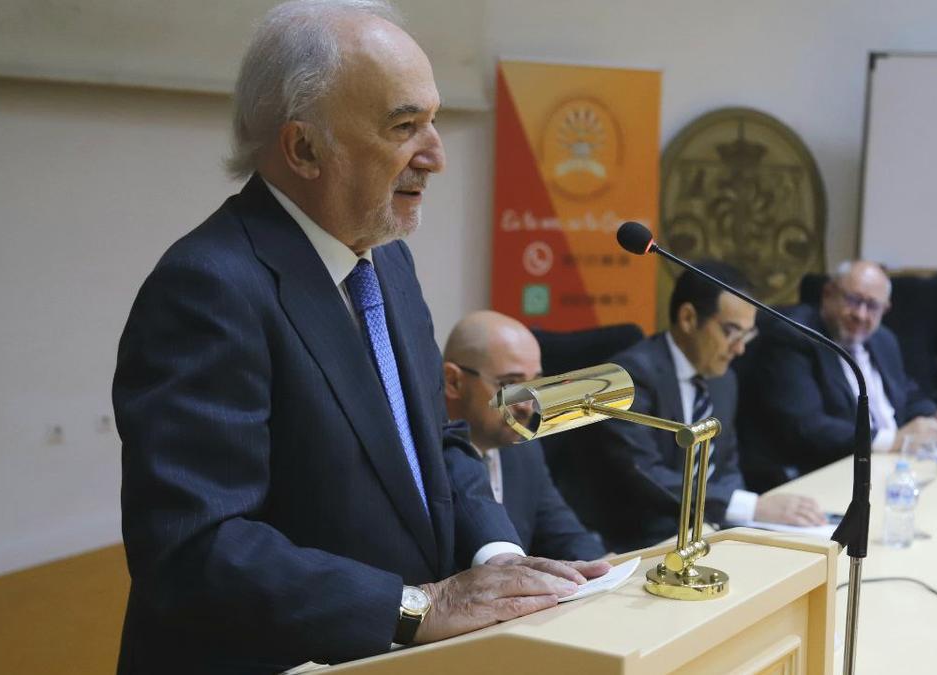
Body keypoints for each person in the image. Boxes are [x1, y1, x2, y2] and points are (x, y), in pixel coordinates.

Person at [111, 2, 606, 672]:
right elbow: (195, 548)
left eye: (433, 120)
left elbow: (437, 438)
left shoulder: (387, 259)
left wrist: (500, 560)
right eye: (404, 126)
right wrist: (418, 607)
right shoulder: (208, 287)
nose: (436, 156)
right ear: (304, 149)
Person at [568, 261, 827, 553]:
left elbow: (726, 464)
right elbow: (645, 475)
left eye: (747, 335)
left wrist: (740, 524)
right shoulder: (631, 377)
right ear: (689, 318)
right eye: (731, 332)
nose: (740, 348)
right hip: (642, 539)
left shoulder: (724, 379)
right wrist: (749, 506)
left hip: (707, 530)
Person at [744, 261, 937, 481]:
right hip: (835, 472)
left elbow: (905, 392)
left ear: (885, 309)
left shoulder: (883, 339)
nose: (861, 314)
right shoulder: (794, 336)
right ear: (828, 294)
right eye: (853, 300)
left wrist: (935, 414)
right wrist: (892, 440)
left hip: (896, 466)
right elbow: (807, 427)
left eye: (872, 306)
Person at [443, 311, 607, 561]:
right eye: (509, 385)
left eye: (536, 385)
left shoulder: (524, 450)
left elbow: (567, 536)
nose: (526, 406)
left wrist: (605, 570)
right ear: (453, 381)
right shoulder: (421, 460)